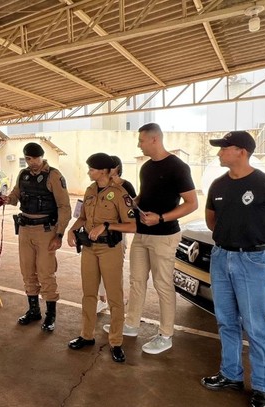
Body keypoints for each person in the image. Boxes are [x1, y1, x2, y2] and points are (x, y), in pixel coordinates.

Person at [200, 131, 265, 407]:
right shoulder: (218, 185)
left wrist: (260, 237)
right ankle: (230, 375)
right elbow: (213, 223)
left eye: (224, 148)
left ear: (242, 152)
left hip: (252, 261)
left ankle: (260, 387)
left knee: (256, 327)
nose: (219, 153)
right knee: (226, 321)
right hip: (221, 258)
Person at [105, 123, 198, 355]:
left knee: (163, 285)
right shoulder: (146, 168)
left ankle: (166, 335)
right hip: (141, 233)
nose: (139, 144)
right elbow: (142, 198)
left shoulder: (178, 167)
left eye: (141, 140)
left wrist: (162, 218)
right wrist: (126, 198)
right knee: (136, 281)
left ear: (154, 139)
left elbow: (191, 204)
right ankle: (132, 325)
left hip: (164, 236)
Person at [67, 153, 136, 363]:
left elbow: (133, 225)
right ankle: (86, 335)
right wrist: (72, 230)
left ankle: (116, 342)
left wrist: (106, 225)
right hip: (89, 248)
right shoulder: (89, 190)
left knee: (115, 296)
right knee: (89, 294)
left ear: (105, 171)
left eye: (92, 169)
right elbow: (82, 217)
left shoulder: (119, 193)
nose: (89, 172)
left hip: (109, 249)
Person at [4, 142, 71, 332]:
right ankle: (34, 310)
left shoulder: (54, 176)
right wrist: (7, 199)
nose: (30, 162)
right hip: (25, 229)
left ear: (41, 156)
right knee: (27, 271)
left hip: (46, 230)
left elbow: (64, 207)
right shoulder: (23, 175)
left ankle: (51, 314)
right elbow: (16, 195)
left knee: (45, 272)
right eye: (27, 159)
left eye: (33, 158)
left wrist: (59, 234)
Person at [96, 155, 137, 313]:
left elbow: (133, 206)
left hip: (117, 232)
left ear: (117, 169)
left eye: (109, 167)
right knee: (98, 268)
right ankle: (102, 299)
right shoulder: (98, 184)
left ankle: (116, 300)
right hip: (98, 233)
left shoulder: (126, 185)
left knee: (114, 268)